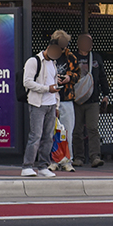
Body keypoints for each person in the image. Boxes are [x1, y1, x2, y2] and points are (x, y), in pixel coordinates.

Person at [21, 31, 70, 178]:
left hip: (50, 104)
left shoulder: (53, 63)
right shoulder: (34, 61)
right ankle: (27, 166)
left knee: (48, 136)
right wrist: (46, 89)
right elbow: (27, 82)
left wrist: (56, 105)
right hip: (37, 104)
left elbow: (53, 85)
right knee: (36, 135)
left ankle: (43, 166)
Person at [71, 33, 109, 168]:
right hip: (76, 100)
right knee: (77, 130)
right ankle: (79, 157)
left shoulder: (96, 58)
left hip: (93, 99)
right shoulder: (72, 58)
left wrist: (106, 95)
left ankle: (95, 157)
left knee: (93, 128)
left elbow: (102, 77)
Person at [51, 39, 81, 171]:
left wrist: (69, 78)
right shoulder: (48, 58)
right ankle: (54, 159)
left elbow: (78, 74)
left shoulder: (71, 57)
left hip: (67, 97)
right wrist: (53, 78)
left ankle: (68, 159)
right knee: (52, 131)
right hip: (52, 98)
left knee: (67, 131)